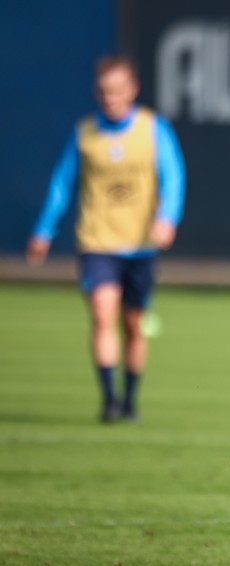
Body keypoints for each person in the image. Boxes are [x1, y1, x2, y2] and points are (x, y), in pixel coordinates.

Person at [26, 55, 186, 423]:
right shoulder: (86, 133)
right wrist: (44, 230)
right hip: (97, 241)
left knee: (133, 325)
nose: (110, 98)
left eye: (117, 90)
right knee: (102, 313)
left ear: (133, 90)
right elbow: (62, 183)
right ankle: (109, 400)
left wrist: (167, 218)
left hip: (140, 244)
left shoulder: (152, 129)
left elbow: (173, 176)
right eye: (104, 91)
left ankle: (130, 400)